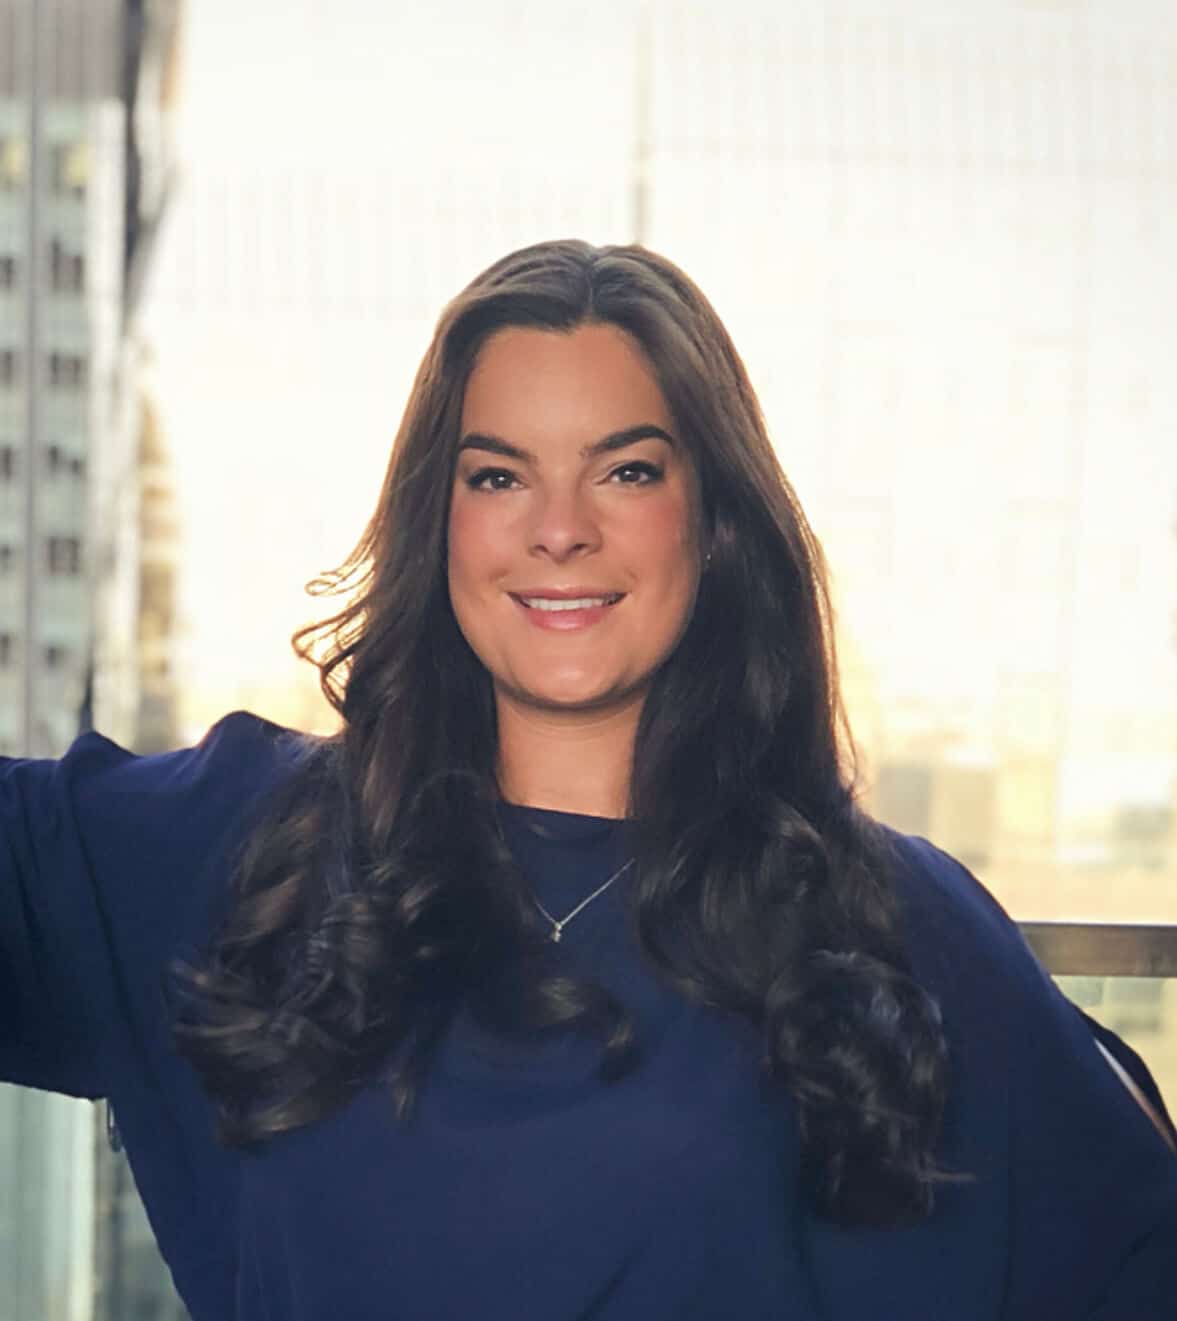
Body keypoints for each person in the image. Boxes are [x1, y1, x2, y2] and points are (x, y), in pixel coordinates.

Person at [1, 238, 1175, 1321]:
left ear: (712, 520)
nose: (558, 530)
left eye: (624, 471)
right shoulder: (245, 846)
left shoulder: (893, 923)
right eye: (499, 477)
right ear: (439, 520)